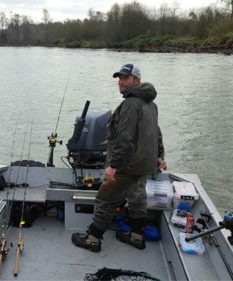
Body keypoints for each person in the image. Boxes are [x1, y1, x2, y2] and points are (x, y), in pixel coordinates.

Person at [71, 63, 166, 252]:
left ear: (136, 80)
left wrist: (113, 165)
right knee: (138, 198)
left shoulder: (131, 104)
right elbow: (156, 133)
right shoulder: (151, 104)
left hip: (127, 164)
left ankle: (93, 239)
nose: (121, 82)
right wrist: (159, 156)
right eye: (119, 78)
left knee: (106, 199)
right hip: (144, 164)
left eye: (125, 78)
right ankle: (137, 236)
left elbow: (125, 138)